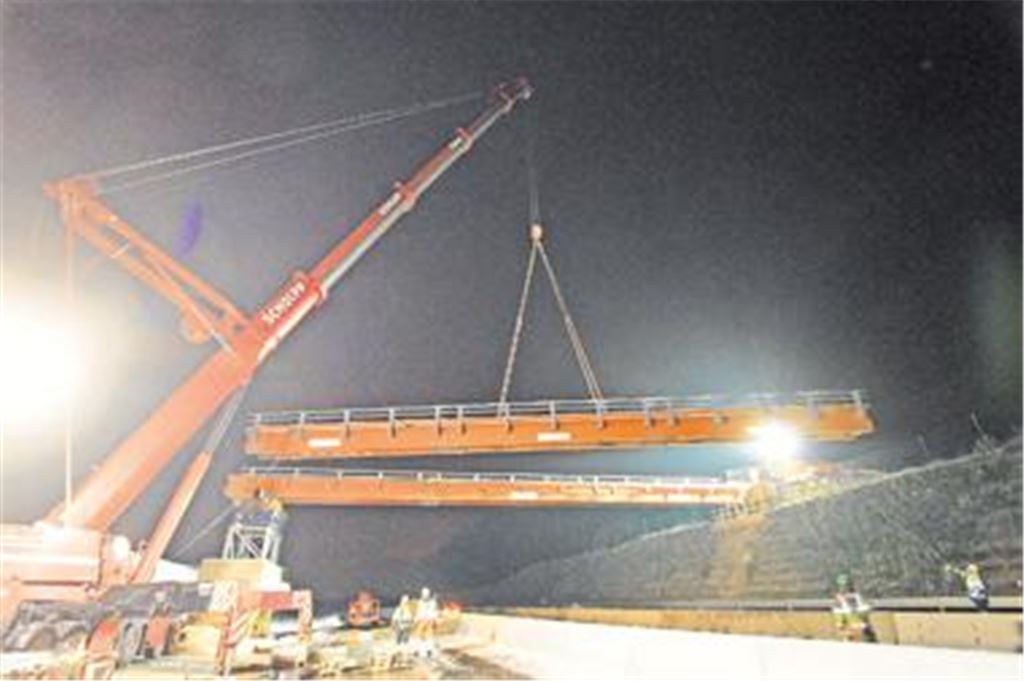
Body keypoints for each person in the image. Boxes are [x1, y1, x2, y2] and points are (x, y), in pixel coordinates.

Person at [832, 574, 876, 642]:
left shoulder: (856, 595)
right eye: (842, 586)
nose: (844, 588)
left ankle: (866, 636)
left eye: (846, 586)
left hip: (858, 623)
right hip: (853, 624)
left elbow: (863, 607)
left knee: (862, 629)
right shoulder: (840, 598)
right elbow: (838, 612)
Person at [412, 587, 439, 658]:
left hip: (428, 620)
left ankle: (428, 650)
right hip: (422, 620)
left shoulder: (432, 602)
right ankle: (418, 650)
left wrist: (435, 620)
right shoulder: (421, 602)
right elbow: (418, 611)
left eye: (426, 594)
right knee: (419, 636)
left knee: (429, 637)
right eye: (424, 594)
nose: (425, 596)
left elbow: (434, 612)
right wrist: (416, 620)